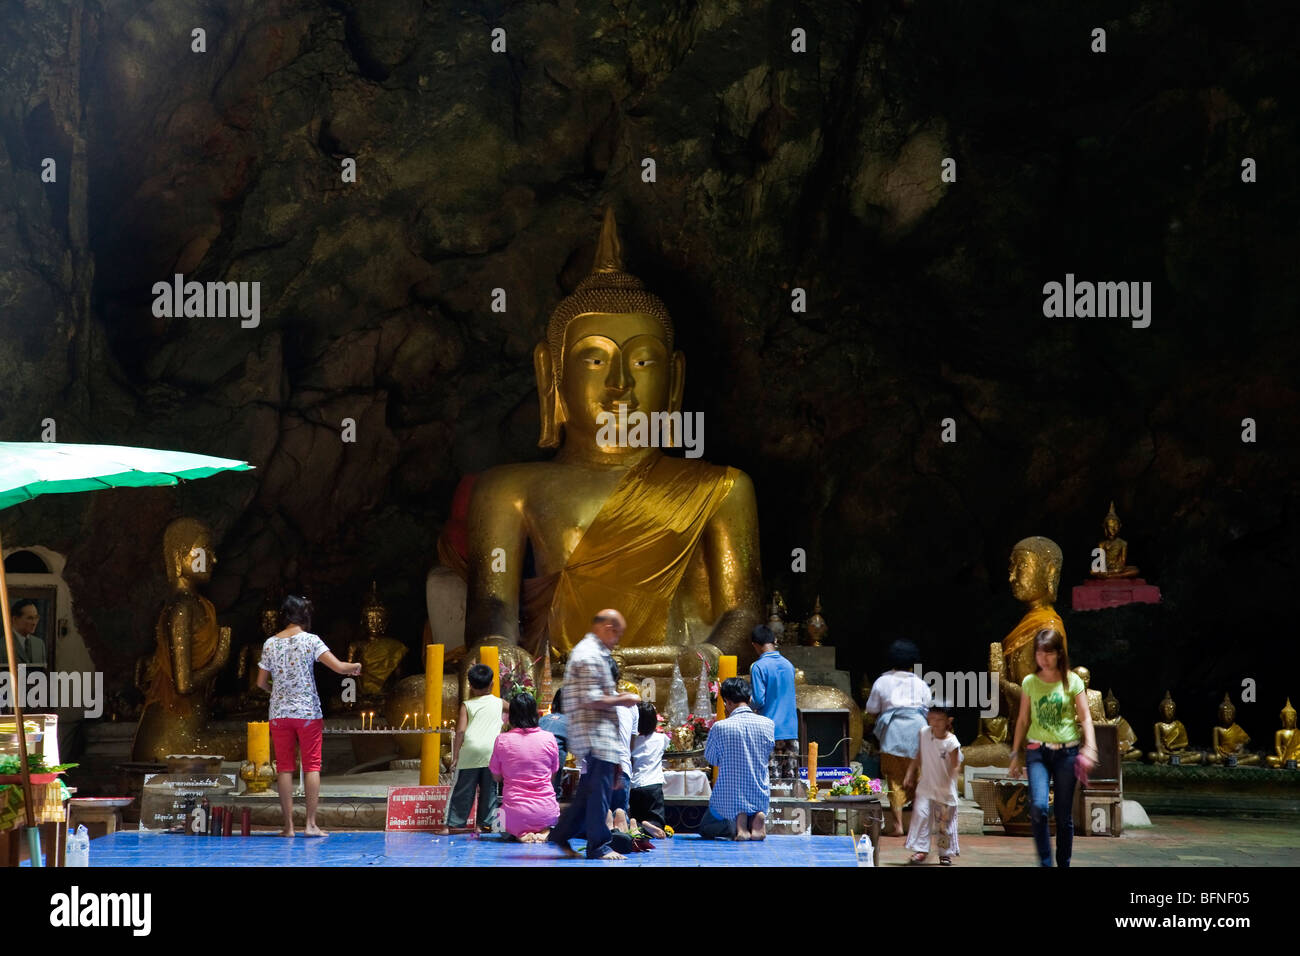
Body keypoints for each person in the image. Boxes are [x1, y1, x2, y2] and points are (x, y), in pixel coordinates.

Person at [255, 595, 361, 837]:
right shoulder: (311, 641)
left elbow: (260, 683)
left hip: (279, 714)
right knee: (311, 766)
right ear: (305, 615)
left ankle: (288, 827)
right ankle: (311, 825)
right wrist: (355, 668)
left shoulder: (270, 643)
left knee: (284, 768)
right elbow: (339, 667)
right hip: (307, 713)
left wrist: (277, 691)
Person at [547, 610, 641, 860]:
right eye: (617, 634)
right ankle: (598, 845)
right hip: (594, 735)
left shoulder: (597, 653)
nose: (617, 640)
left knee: (589, 793)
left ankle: (560, 835)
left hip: (600, 735)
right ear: (607, 627)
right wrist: (624, 698)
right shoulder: (588, 655)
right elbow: (590, 698)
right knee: (598, 792)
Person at [1008, 627, 1098, 867]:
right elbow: (1023, 719)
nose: (1043, 658)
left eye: (1048, 653)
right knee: (1038, 807)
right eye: (1039, 653)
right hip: (1037, 752)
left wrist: (1091, 747)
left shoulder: (1073, 681)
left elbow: (1085, 717)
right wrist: (1014, 753)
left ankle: (1063, 863)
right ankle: (1046, 863)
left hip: (1067, 753)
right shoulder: (1030, 682)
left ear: (1059, 653)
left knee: (1063, 814)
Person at [864, 640, 932, 836]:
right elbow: (928, 709)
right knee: (919, 779)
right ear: (912, 662)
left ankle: (898, 826)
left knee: (893, 779)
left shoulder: (882, 682)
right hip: (918, 732)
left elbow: (871, 710)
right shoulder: (920, 684)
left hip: (892, 734)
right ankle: (919, 826)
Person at [698, 677, 775, 840]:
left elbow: (712, 759)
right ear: (749, 699)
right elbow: (767, 752)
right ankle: (756, 817)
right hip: (759, 794)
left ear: (728, 702)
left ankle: (737, 824)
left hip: (728, 797)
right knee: (752, 802)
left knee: (706, 828)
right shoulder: (768, 724)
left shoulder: (721, 726)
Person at [489, 693, 561, 841]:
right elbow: (553, 775)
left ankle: (519, 834)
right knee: (553, 818)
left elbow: (496, 777)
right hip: (546, 812)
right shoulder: (549, 738)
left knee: (497, 822)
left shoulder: (502, 740)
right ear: (536, 714)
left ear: (511, 716)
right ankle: (544, 832)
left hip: (514, 814)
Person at [904, 700, 962, 865]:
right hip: (926, 787)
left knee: (944, 825)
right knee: (921, 816)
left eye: (939, 719)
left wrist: (947, 784)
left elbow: (956, 766)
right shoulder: (924, 732)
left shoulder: (952, 742)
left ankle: (945, 853)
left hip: (945, 790)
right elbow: (919, 754)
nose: (934, 723)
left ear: (948, 721)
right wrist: (909, 773)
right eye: (932, 718)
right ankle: (921, 851)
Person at [448, 663, 502, 829]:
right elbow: (515, 709)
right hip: (491, 752)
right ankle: (484, 825)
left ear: (470, 686)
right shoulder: (500, 702)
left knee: (463, 790)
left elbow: (460, 732)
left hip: (470, 752)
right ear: (492, 684)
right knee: (490, 791)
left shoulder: (467, 705)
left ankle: (456, 824)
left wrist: (455, 755)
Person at [749, 624, 798, 779]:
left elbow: (758, 700)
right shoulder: (788, 665)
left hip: (769, 731)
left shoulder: (758, 667)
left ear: (755, 645)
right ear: (774, 640)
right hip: (790, 730)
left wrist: (744, 703)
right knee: (790, 781)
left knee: (772, 781)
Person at [629, 700, 668, 839]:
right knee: (658, 821)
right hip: (653, 785)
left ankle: (636, 824)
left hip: (635, 785)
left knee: (635, 815)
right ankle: (651, 825)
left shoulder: (631, 741)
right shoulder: (661, 738)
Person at [538, 687, 567, 797]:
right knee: (552, 791)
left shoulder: (543, 719)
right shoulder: (570, 722)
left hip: (535, 758)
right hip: (554, 760)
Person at [2, 599, 46, 668]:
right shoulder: (2, 645)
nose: (34, 623)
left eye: (36, 618)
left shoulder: (39, 644)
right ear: (15, 619)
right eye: (30, 618)